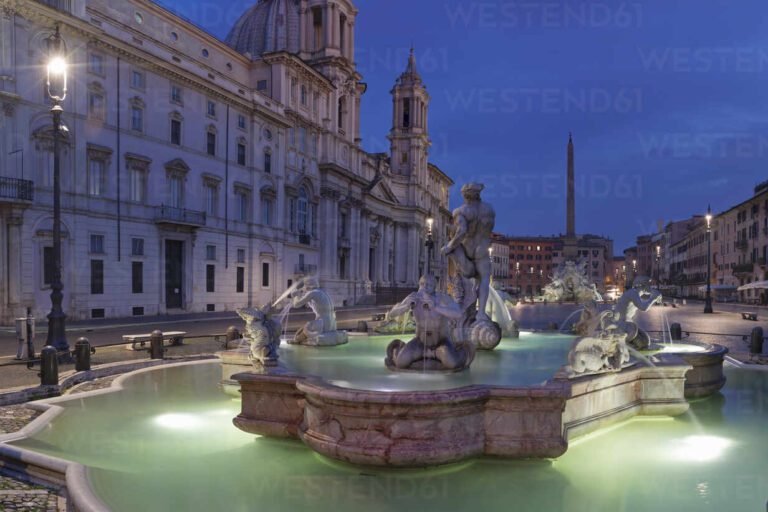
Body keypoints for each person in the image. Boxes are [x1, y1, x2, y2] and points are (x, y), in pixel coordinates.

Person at [386, 274, 469, 370]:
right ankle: (415, 351)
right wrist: (405, 306)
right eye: (422, 284)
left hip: (440, 341)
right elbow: (392, 314)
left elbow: (458, 313)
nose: (424, 287)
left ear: (434, 288)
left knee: (452, 363)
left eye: (428, 285)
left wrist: (436, 307)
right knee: (401, 362)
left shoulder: (442, 298)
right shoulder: (413, 297)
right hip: (420, 341)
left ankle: (460, 351)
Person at [441, 182, 496, 323]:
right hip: (482, 249)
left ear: (465, 195)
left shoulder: (461, 211)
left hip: (467, 248)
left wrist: (449, 246)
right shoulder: (489, 210)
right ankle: (481, 314)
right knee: (483, 280)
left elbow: (461, 232)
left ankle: (462, 307)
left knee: (462, 274)